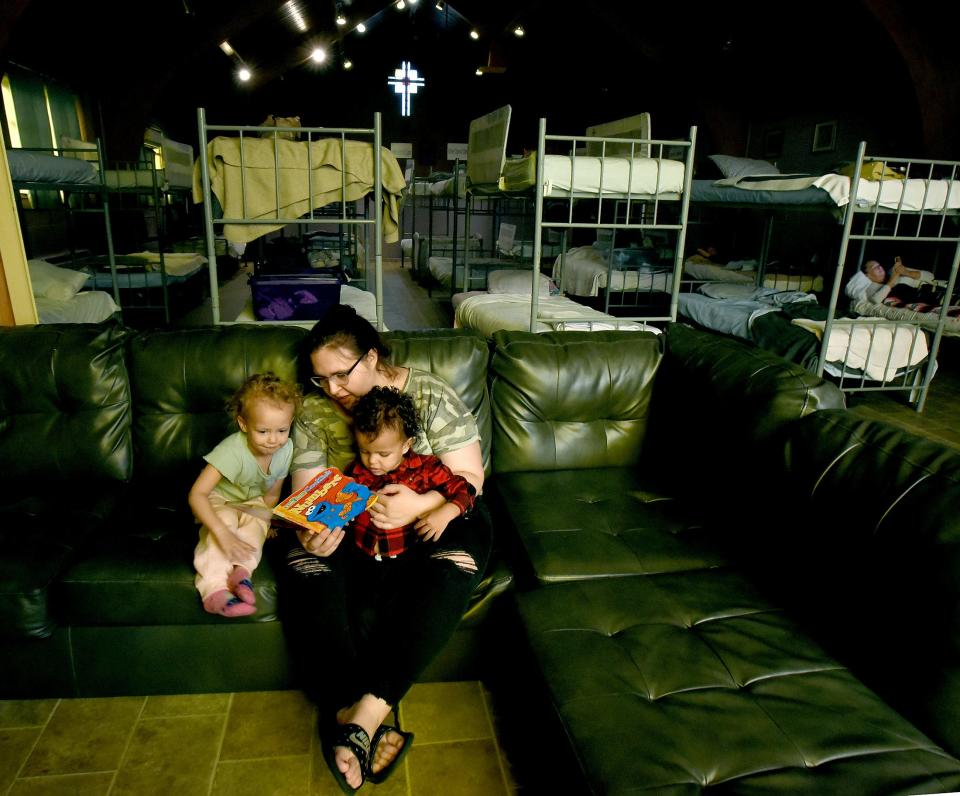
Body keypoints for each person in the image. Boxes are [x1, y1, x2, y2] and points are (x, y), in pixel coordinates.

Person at [271, 304, 491, 792]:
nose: (332, 390)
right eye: (319, 379)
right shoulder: (313, 413)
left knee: (456, 560)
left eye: (341, 374)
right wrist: (315, 533)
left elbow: (470, 478)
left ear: (372, 357)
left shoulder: (430, 394)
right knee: (306, 563)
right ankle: (364, 721)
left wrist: (420, 504)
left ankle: (359, 716)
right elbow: (312, 496)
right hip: (356, 529)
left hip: (435, 514)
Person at [188, 373, 301, 618]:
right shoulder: (232, 450)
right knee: (225, 525)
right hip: (218, 499)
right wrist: (221, 532)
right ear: (243, 425)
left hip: (250, 500)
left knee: (257, 524)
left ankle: (242, 573)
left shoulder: (286, 449)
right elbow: (197, 494)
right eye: (262, 431)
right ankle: (214, 590)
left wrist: (266, 520)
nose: (274, 440)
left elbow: (271, 496)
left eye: (282, 430)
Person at [349, 385, 476, 558]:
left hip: (410, 554)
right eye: (364, 451)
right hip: (362, 553)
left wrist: (445, 514)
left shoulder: (426, 469)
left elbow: (465, 489)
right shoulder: (356, 471)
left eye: (383, 454)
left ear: (406, 445)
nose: (371, 461)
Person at [846, 256, 935, 305]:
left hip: (933, 288)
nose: (880, 268)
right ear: (868, 275)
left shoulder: (893, 271)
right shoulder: (871, 288)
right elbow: (876, 300)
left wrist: (906, 272)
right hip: (921, 298)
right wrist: (893, 280)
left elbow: (930, 277)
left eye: (879, 265)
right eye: (875, 268)